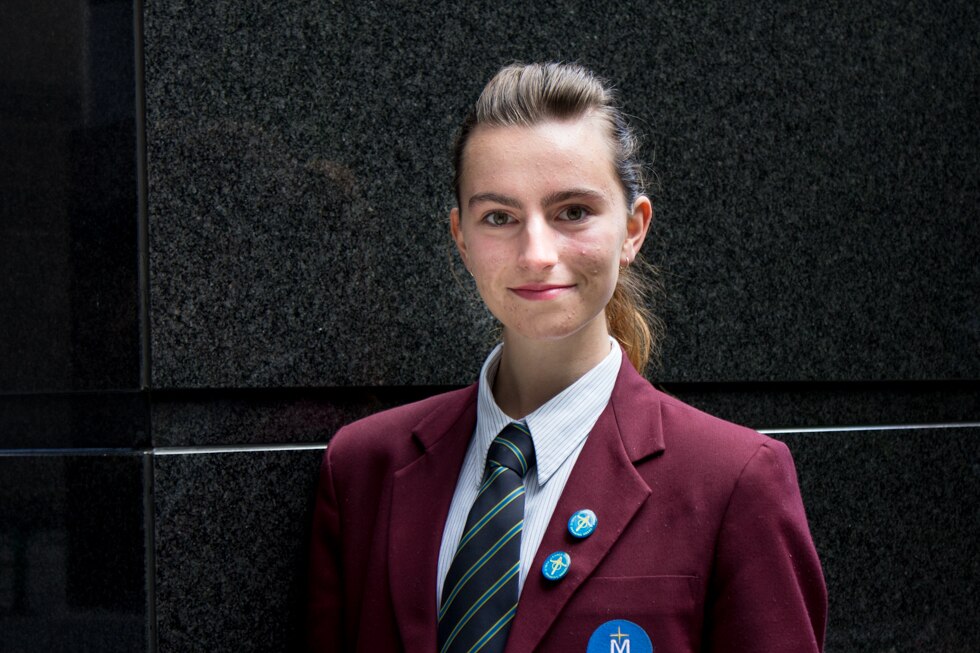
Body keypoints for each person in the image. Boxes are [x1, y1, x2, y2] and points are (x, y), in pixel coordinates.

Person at [308, 62, 827, 652]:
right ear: (461, 239)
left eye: (572, 212)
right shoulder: (363, 468)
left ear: (633, 229)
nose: (536, 253)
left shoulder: (734, 480)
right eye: (499, 217)